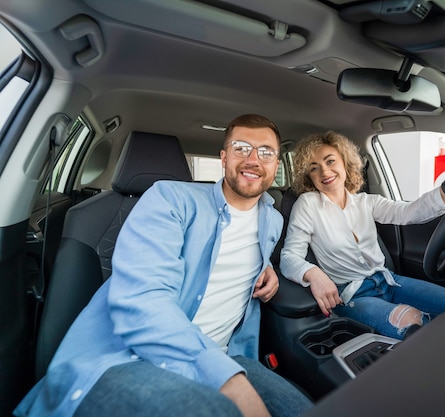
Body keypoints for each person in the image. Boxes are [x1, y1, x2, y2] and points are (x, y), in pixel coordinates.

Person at [15, 114, 313, 417]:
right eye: (241, 148)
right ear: (224, 157)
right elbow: (145, 300)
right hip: (134, 358)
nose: (253, 159)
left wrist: (268, 270)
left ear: (276, 165)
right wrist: (226, 380)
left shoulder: (272, 219)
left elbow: (241, 260)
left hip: (230, 355)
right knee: (211, 410)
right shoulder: (170, 199)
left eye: (265, 152)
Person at [280, 131, 445, 339]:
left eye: (330, 161)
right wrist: (314, 274)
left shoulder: (366, 201)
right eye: (314, 168)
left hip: (389, 281)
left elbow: (410, 212)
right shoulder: (308, 204)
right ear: (309, 176)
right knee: (420, 330)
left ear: (345, 162)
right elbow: (290, 256)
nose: (325, 172)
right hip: (353, 295)